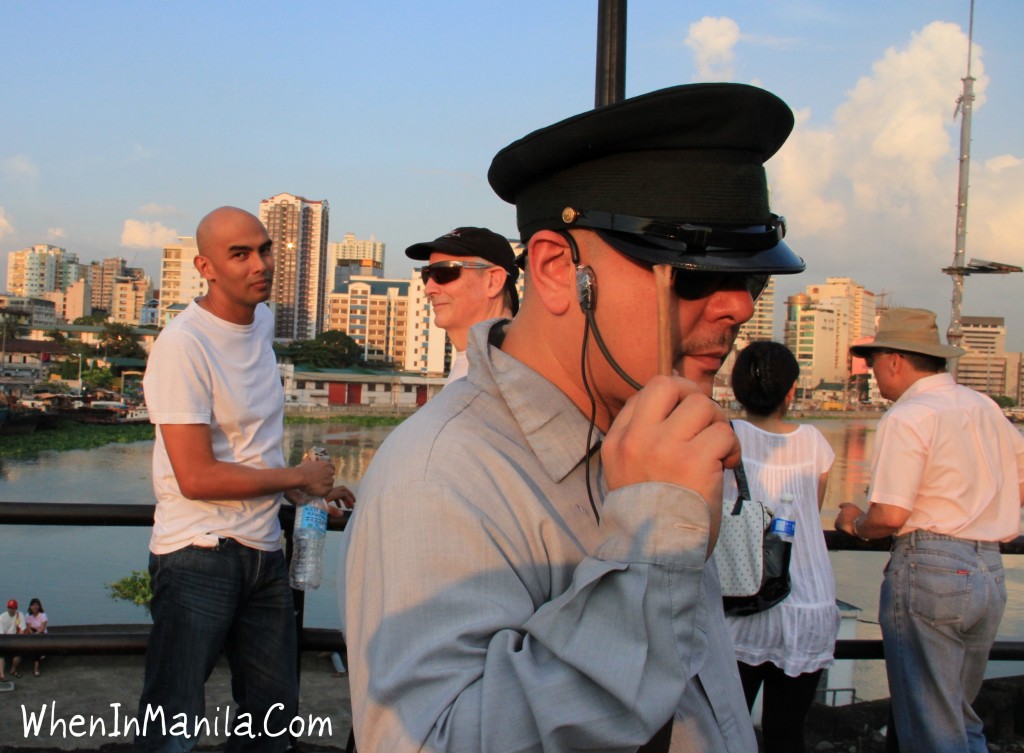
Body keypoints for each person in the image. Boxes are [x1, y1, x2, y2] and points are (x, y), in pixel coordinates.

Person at [340, 82, 807, 752]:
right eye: (694, 273)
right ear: (558, 269)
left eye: (753, 279)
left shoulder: (650, 434)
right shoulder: (443, 475)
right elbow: (434, 740)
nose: (737, 307)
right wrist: (650, 545)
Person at [136, 206, 351, 753]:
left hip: (265, 551)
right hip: (198, 553)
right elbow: (196, 476)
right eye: (240, 254)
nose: (260, 264)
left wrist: (299, 490)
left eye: (265, 249)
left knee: (273, 720)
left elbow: (252, 444)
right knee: (173, 722)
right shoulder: (184, 346)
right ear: (205, 267)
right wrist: (296, 473)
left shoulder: (263, 322)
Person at [835, 307, 1024, 753]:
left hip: (930, 568)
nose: (873, 371)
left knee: (930, 724)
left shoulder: (909, 415)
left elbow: (890, 516)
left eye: (875, 360)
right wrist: (982, 507)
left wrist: (854, 523)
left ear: (896, 360)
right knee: (959, 715)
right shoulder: (984, 407)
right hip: (988, 570)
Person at [721, 341, 838, 753]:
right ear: (791, 392)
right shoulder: (815, 443)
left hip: (745, 597)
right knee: (787, 733)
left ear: (737, 390)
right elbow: (812, 511)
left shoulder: (724, 436)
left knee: (727, 730)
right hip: (808, 598)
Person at [405, 226, 519, 384]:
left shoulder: (511, 373)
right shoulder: (472, 365)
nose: (429, 289)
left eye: (443, 273)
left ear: (493, 281)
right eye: (427, 275)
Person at [0, 599, 25, 680]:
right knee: (1, 656)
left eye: (13, 608)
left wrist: (18, 639)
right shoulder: (2, 617)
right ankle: (2, 675)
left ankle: (13, 670)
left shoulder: (19, 615)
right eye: (10, 608)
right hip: (5, 640)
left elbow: (22, 629)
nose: (11, 609)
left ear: (16, 608)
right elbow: (1, 633)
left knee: (18, 655)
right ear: (7, 608)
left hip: (15, 640)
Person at [24, 598, 47, 677]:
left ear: (39, 606)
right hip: (33, 633)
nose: (35, 607)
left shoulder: (43, 615)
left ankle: (36, 669)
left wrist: (36, 634)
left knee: (36, 648)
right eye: (33, 605)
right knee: (36, 649)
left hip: (41, 633)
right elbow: (29, 628)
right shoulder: (28, 615)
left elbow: (42, 628)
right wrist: (33, 634)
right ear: (30, 606)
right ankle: (36, 669)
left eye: (36, 605)